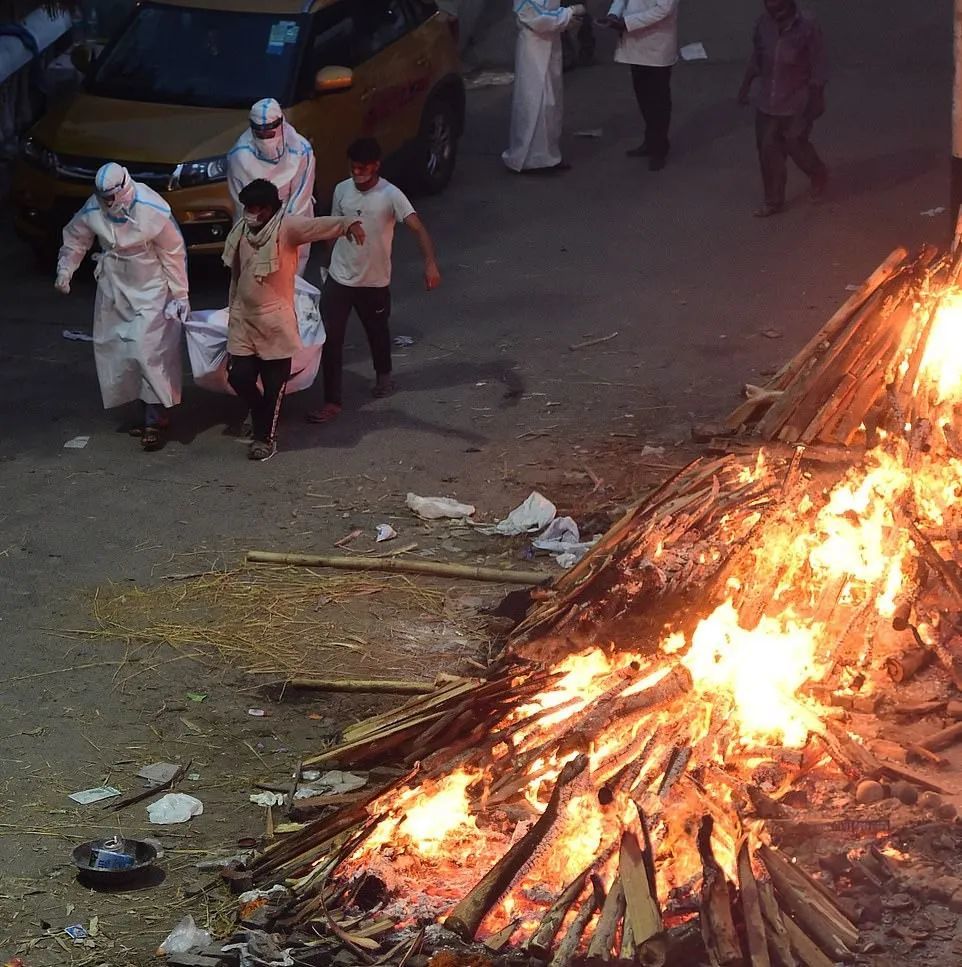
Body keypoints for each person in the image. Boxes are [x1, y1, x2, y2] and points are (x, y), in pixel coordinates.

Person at [223, 178, 364, 461]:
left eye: (258, 208)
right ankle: (259, 412)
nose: (252, 214)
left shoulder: (286, 228)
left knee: (273, 386)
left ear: (271, 208)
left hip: (275, 322)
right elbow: (236, 275)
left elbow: (317, 226)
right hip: (243, 319)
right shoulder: (241, 231)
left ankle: (265, 438)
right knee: (238, 377)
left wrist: (348, 224)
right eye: (248, 208)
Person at [55, 162, 189, 452]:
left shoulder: (152, 207)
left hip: (151, 288)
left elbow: (173, 252)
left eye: (110, 197)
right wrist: (65, 269)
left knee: (147, 350)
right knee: (120, 351)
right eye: (103, 198)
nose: (107, 203)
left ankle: (155, 417)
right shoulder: (95, 207)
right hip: (114, 286)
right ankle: (142, 411)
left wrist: (180, 294)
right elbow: (77, 237)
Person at [306, 138, 441, 425]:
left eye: (363, 168)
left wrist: (430, 263)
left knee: (377, 332)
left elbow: (418, 228)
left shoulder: (391, 195)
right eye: (353, 167)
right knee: (330, 339)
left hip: (374, 282)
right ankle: (332, 401)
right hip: (340, 279)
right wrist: (328, 262)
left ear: (376, 165)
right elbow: (333, 228)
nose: (357, 173)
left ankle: (384, 376)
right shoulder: (342, 190)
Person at [737, 0, 828, 217]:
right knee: (768, 152)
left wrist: (816, 99)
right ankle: (773, 201)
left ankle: (817, 173)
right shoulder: (763, 24)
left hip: (797, 103)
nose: (773, 7)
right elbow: (757, 58)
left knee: (796, 145)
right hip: (767, 102)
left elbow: (819, 65)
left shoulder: (807, 26)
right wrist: (745, 87)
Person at [227, 98, 316, 271]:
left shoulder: (301, 150)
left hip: (291, 216)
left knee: (291, 273)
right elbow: (240, 203)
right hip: (255, 223)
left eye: (269, 135)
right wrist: (259, 231)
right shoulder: (238, 156)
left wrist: (283, 233)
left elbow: (300, 197)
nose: (265, 141)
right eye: (260, 136)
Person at [502, 0, 586, 174]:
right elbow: (537, 19)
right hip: (534, 48)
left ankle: (548, 156)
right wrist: (569, 13)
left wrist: (566, 20)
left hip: (550, 43)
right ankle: (531, 159)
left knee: (551, 104)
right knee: (535, 103)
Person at [605, 0, 680, 171]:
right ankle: (651, 141)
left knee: (658, 102)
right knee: (644, 97)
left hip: (657, 44)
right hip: (635, 42)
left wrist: (627, 22)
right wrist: (613, 14)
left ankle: (659, 149)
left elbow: (664, 9)